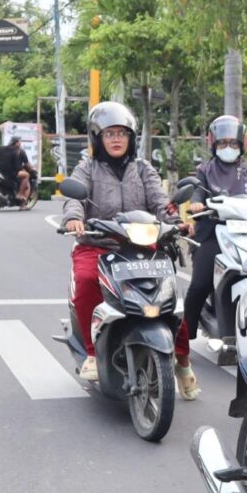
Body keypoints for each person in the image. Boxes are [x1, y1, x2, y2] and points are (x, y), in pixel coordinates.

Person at [62, 102, 195, 386]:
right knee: (86, 280)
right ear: (98, 138)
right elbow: (74, 198)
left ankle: (183, 359)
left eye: (122, 133)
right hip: (99, 244)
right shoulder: (87, 168)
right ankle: (91, 353)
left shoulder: (143, 169)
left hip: (140, 245)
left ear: (131, 137)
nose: (116, 139)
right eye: (109, 134)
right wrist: (74, 218)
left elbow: (160, 202)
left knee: (170, 294)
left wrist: (175, 221)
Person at [180, 115, 247, 398]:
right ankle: (182, 341)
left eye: (233, 142)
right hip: (214, 233)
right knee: (199, 285)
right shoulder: (204, 170)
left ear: (241, 144)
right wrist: (197, 204)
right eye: (223, 142)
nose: (228, 147)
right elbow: (197, 193)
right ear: (213, 143)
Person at [0, 136, 32, 208]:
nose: (20, 143)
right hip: (10, 174)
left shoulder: (1, 148)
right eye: (19, 142)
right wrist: (22, 169)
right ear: (16, 143)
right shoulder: (16, 152)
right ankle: (20, 194)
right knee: (26, 175)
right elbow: (17, 167)